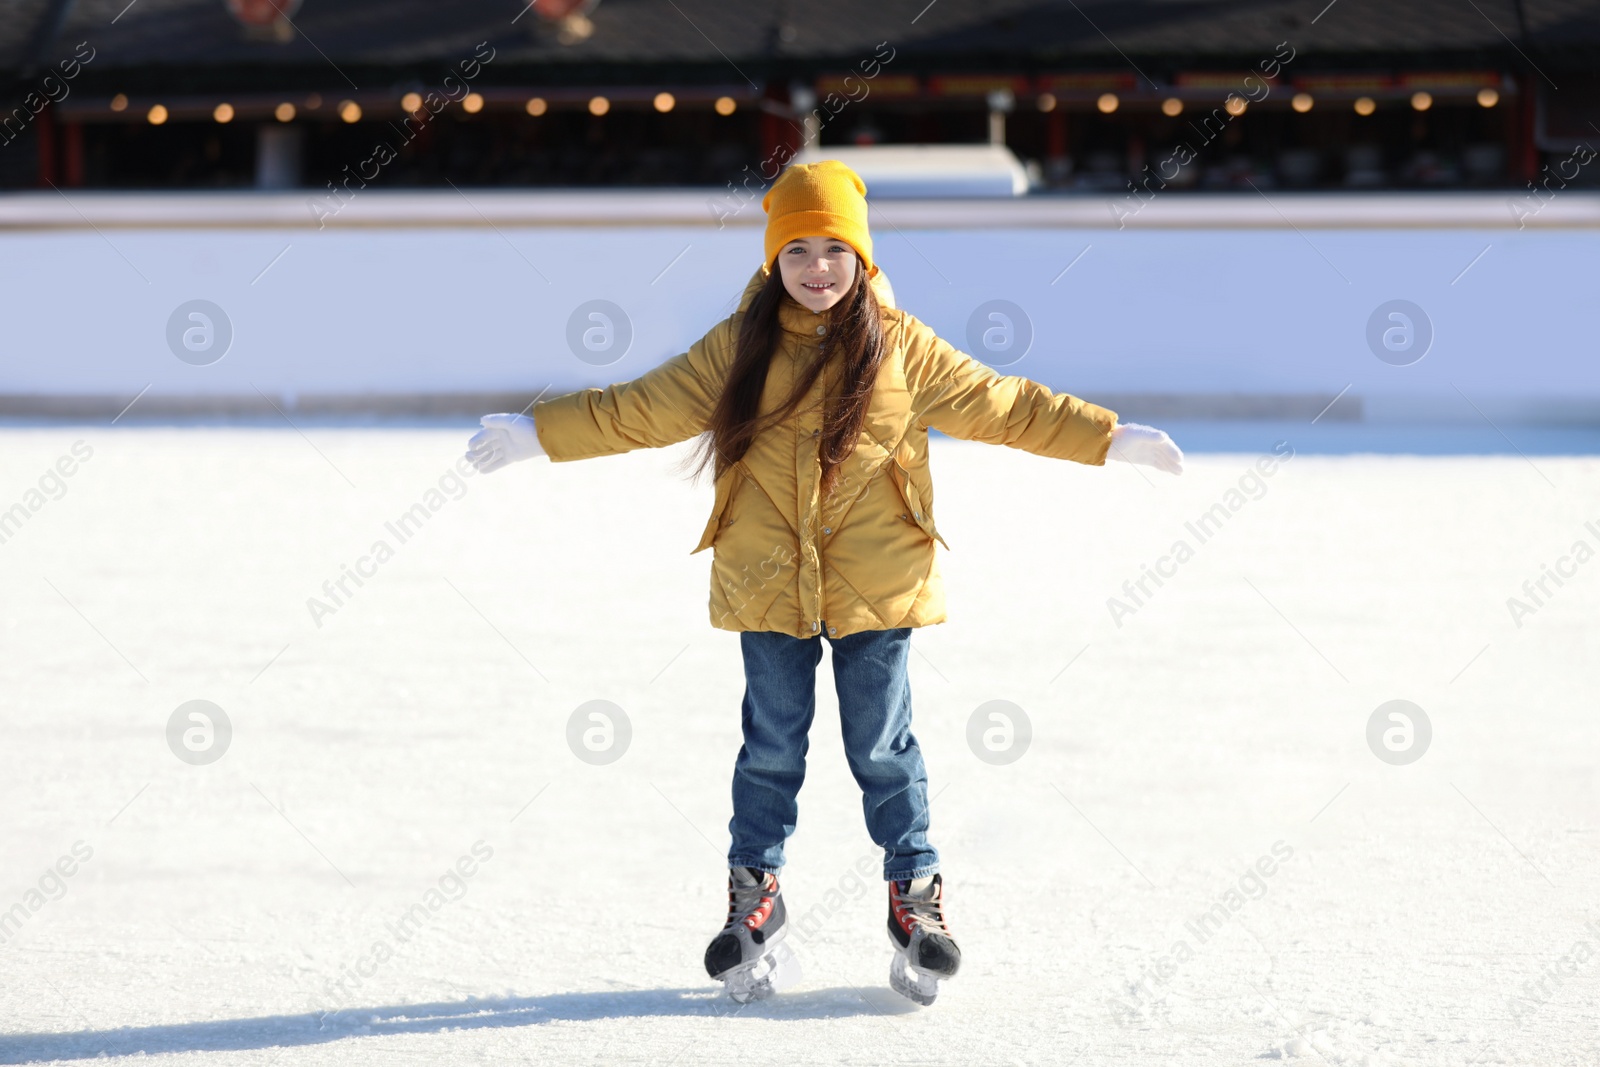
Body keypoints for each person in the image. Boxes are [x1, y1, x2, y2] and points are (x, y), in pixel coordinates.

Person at [465, 161, 1183, 1004]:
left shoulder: (901, 346)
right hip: (767, 583)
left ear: (861, 257)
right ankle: (754, 898)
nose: (815, 268)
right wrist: (536, 434)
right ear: (773, 260)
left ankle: (916, 902)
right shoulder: (738, 347)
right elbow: (639, 407)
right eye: (796, 250)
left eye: (833, 248)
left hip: (877, 586)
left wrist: (1109, 438)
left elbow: (1005, 404)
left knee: (882, 747)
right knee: (771, 749)